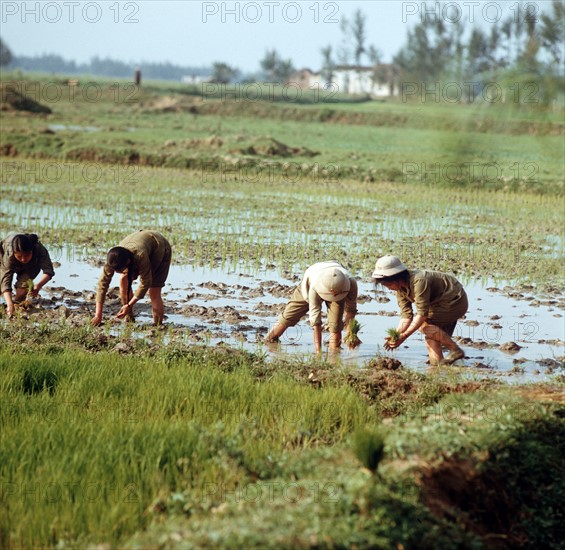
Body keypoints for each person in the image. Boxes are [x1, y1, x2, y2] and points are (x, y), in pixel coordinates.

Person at [372, 255, 468, 366]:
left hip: (455, 301)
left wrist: (404, 336)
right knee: (431, 335)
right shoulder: (399, 289)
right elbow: (406, 316)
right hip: (437, 305)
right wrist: (397, 335)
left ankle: (455, 350)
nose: (387, 287)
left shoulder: (419, 281)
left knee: (424, 326)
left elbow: (422, 314)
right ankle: (438, 367)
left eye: (388, 284)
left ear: (396, 277)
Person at [265, 261, 358, 353]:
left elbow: (350, 311)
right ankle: (269, 339)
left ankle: (334, 354)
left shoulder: (350, 282)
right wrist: (318, 352)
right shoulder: (313, 286)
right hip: (311, 283)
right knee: (288, 316)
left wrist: (350, 336)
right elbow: (316, 323)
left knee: (335, 326)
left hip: (339, 286)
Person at [91, 230, 172, 326]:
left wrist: (130, 304)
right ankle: (129, 316)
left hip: (159, 247)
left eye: (120, 270)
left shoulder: (140, 255)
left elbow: (145, 282)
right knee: (123, 279)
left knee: (154, 291)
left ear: (128, 262)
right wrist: (98, 315)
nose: (117, 272)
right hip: (140, 244)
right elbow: (102, 285)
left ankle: (158, 325)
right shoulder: (113, 259)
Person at [1, 233, 55, 318]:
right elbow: (5, 281)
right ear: (14, 253)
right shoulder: (9, 253)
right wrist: (9, 303)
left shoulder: (39, 249)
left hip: (31, 266)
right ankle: (9, 307)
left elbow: (49, 271)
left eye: (26, 255)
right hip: (4, 257)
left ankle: (16, 310)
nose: (23, 259)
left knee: (22, 291)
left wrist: (38, 285)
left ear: (32, 251)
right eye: (19, 256)